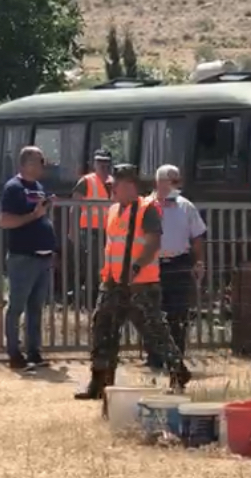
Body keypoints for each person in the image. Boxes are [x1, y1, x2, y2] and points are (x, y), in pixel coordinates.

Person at [75, 164, 192, 400]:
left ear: (129, 185)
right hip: (113, 283)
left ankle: (178, 371)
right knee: (102, 328)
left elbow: (153, 242)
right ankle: (100, 382)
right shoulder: (113, 210)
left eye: (115, 185)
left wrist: (136, 267)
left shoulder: (147, 209)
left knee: (154, 332)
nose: (111, 190)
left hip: (142, 284)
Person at [0, 146, 57, 370]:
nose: (43, 165)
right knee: (16, 307)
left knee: (36, 308)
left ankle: (34, 352)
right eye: (39, 161)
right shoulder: (13, 188)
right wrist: (34, 215)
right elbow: (5, 221)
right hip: (23, 257)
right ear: (26, 164)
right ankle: (14, 354)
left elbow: (40, 217)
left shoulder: (39, 187)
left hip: (42, 257)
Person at [145, 165, 206, 368]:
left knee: (178, 313)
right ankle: (154, 359)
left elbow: (197, 237)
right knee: (152, 312)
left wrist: (199, 262)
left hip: (179, 264)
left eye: (178, 180)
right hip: (152, 264)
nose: (178, 185)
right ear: (159, 182)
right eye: (173, 181)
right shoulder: (146, 206)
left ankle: (176, 356)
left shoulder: (186, 207)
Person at [71, 149, 113, 307]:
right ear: (94, 164)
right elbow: (74, 206)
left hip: (109, 231)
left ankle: (98, 301)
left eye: (106, 162)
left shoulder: (113, 182)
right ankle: (87, 301)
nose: (103, 165)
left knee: (104, 267)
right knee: (92, 266)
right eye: (100, 162)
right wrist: (72, 230)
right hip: (89, 231)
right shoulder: (86, 181)